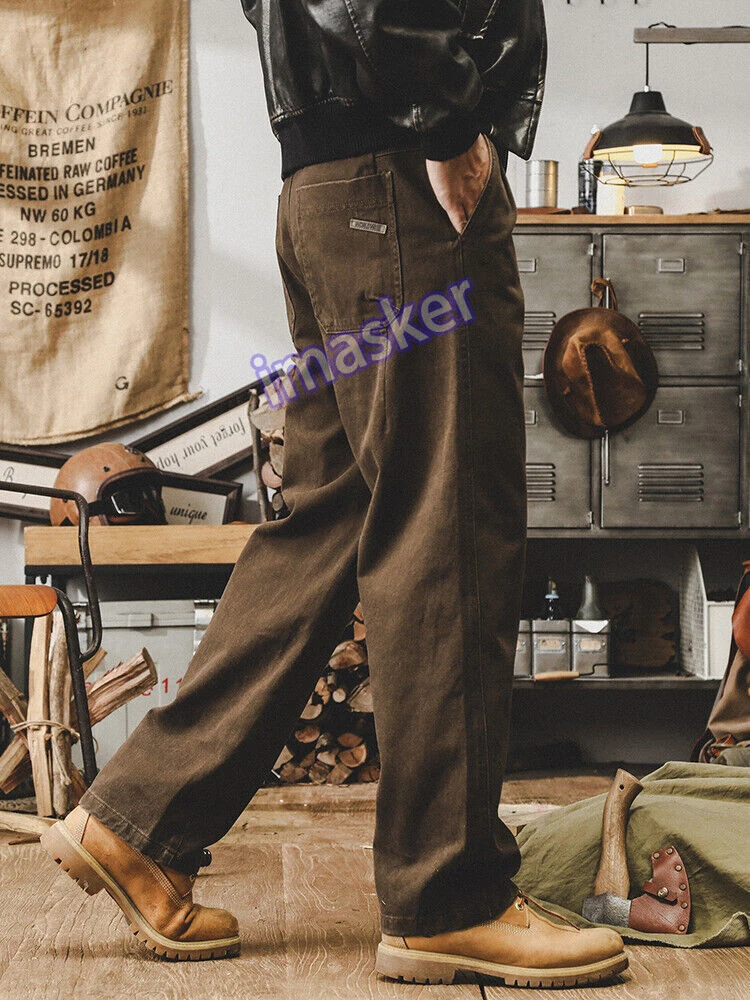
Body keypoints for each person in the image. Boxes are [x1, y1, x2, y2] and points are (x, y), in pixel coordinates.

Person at [40, 0, 628, 988]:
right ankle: (450, 898)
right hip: (403, 182)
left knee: (331, 520)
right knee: (447, 523)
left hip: (335, 190)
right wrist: (450, 125)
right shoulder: (425, 143)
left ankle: (137, 820)